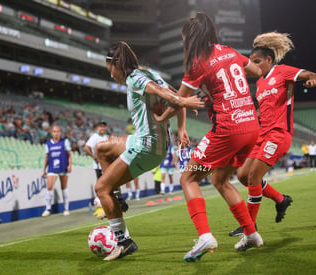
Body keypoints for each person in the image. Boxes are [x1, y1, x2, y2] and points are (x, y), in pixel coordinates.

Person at [155, 12, 264, 261]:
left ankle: (204, 236)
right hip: (251, 125)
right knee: (220, 180)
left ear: (191, 38)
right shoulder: (230, 51)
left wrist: (162, 118)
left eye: (184, 39)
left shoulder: (199, 63)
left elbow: (178, 100)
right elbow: (256, 71)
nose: (184, 44)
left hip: (228, 130)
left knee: (188, 179)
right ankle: (251, 233)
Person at [94, 41, 204, 261]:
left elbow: (163, 93)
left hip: (145, 146)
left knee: (101, 188)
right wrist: (181, 128)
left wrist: (181, 101)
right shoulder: (150, 73)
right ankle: (118, 199)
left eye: (110, 70)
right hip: (151, 142)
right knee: (102, 148)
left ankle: (123, 241)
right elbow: (172, 92)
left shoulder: (135, 79)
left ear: (117, 64)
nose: (111, 75)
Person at [230, 32, 316, 236]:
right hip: (262, 135)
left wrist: (312, 81)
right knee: (242, 176)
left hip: (278, 134)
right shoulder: (260, 84)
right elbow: (265, 109)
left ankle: (249, 227)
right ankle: (280, 199)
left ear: (269, 59)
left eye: (258, 61)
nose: (254, 66)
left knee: (253, 176)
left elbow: (311, 74)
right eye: (251, 62)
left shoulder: (283, 71)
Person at [42, 125, 72, 217]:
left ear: (60, 132)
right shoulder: (48, 144)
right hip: (52, 167)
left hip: (63, 166)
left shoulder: (65, 142)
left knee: (64, 187)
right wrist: (44, 169)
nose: (56, 133)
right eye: (54, 131)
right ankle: (48, 209)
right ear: (52, 133)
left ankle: (66, 208)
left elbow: (69, 155)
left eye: (58, 131)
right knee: (49, 187)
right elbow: (47, 157)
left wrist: (70, 165)